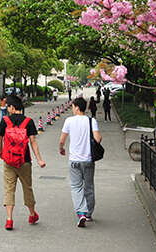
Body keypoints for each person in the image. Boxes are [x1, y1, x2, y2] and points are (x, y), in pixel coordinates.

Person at [0, 94, 46, 230]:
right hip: (24, 161)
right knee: (27, 187)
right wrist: (39, 159)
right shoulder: (28, 121)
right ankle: (31, 214)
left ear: (12, 107)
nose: (8, 110)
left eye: (8, 107)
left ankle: (9, 219)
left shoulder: (5, 121)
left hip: (9, 161)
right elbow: (33, 141)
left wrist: (1, 153)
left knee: (9, 189)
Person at [58, 97, 101, 227]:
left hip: (74, 161)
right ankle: (88, 214)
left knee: (76, 187)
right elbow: (98, 138)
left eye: (72, 107)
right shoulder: (91, 121)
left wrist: (61, 149)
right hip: (88, 160)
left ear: (77, 107)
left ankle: (81, 212)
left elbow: (62, 140)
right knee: (89, 186)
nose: (72, 109)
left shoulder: (69, 121)